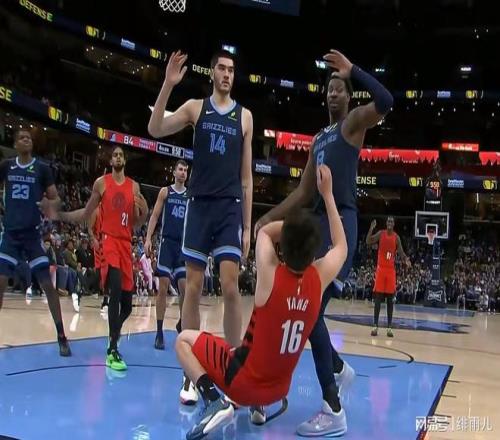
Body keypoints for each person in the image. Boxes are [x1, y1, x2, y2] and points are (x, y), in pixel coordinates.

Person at [254, 49, 393, 436]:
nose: (334, 93)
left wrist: (353, 70)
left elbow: (386, 101)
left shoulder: (353, 123)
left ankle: (333, 406)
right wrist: (266, 219)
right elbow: (302, 194)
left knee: (310, 310)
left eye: (340, 89)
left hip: (340, 224)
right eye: (330, 89)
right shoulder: (318, 139)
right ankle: (337, 370)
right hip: (315, 229)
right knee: (304, 310)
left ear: (348, 97)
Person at [176, 165, 347, 440]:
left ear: (284, 244)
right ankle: (258, 407)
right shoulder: (318, 279)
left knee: (183, 340)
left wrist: (293, 226)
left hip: (242, 384)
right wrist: (327, 195)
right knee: (248, 349)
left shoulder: (271, 275)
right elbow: (341, 247)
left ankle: (214, 400)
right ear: (314, 250)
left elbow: (265, 232)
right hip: (279, 390)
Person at [148, 50, 253, 397]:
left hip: (229, 208)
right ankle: (192, 373)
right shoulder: (196, 108)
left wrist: (248, 224)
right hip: (199, 205)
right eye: (221, 68)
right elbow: (155, 128)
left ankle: (235, 371)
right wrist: (168, 84)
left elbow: (247, 178)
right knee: (191, 287)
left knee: (231, 286)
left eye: (231, 70)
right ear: (212, 73)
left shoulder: (245, 116)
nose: (227, 74)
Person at [42, 146, 148, 370]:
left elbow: (135, 223)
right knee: (115, 292)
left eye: (121, 155)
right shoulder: (101, 183)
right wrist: (59, 215)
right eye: (114, 155)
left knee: (127, 306)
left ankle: (113, 334)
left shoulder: (134, 186)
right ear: (111, 161)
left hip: (126, 245)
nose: (118, 157)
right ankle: (112, 350)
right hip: (109, 242)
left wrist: (145, 213)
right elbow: (86, 212)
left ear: (124, 160)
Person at [0, 128, 71, 356]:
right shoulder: (6, 166)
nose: (26, 140)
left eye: (29, 138)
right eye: (22, 137)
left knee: (48, 285)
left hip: (32, 235)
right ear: (15, 144)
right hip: (11, 235)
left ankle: (62, 335)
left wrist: (51, 205)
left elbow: (56, 199)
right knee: (0, 281)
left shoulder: (41, 169)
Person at [144, 161, 188, 347]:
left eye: (185, 170)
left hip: (183, 246)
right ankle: (159, 331)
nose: (183, 172)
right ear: (174, 172)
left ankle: (182, 323)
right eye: (180, 169)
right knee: (162, 287)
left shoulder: (190, 195)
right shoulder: (165, 192)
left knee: (185, 289)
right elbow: (155, 216)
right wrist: (148, 238)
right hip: (167, 243)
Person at [366, 217, 410, 337]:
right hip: (381, 269)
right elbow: (368, 241)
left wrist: (406, 259)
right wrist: (371, 228)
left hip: (390, 271)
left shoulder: (396, 237)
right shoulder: (381, 234)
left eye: (391, 221)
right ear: (386, 223)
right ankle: (375, 326)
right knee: (378, 299)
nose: (390, 223)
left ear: (394, 224)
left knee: (390, 300)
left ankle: (389, 328)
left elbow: (401, 252)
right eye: (388, 221)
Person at [88, 205, 108, 310]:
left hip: (108, 244)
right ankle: (87, 289)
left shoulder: (110, 210)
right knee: (99, 273)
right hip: (99, 245)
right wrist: (93, 239)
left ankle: (106, 299)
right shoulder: (96, 211)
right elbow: (90, 229)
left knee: (107, 272)